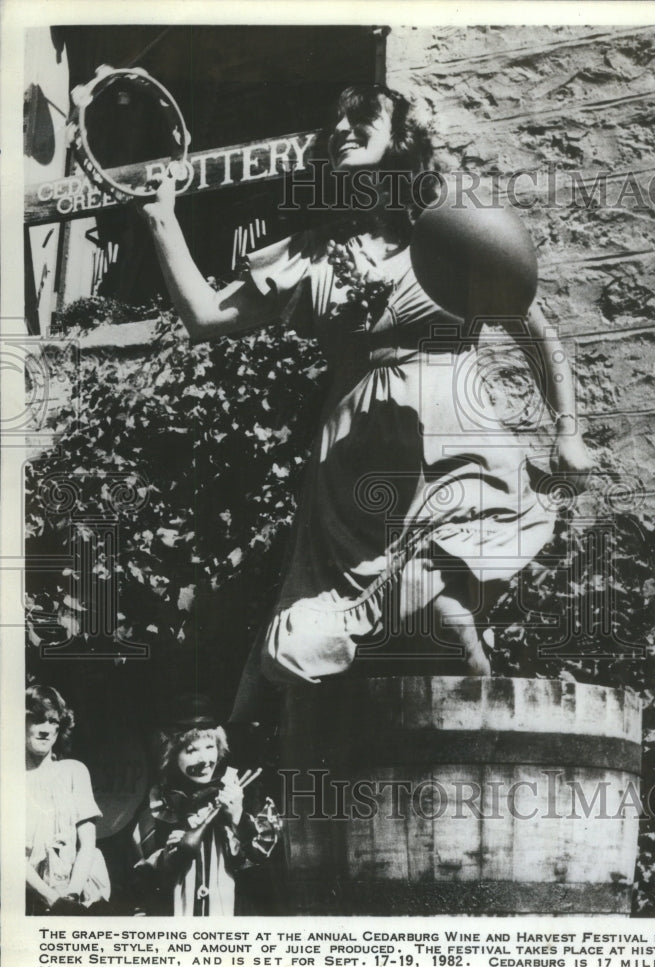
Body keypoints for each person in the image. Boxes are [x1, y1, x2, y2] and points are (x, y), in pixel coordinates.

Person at [139, 84, 593, 711]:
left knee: (449, 618)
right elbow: (203, 315)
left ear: (401, 139)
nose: (343, 131)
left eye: (362, 120)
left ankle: (489, 742)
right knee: (312, 653)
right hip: (352, 481)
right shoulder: (315, 253)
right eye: (336, 124)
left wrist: (567, 429)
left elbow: (532, 329)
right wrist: (160, 218)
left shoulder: (449, 229)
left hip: (455, 449)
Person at [132, 694, 282, 916]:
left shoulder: (245, 793)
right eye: (191, 751)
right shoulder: (162, 802)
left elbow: (263, 856)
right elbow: (146, 876)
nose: (204, 760)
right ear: (172, 754)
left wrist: (239, 817)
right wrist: (168, 856)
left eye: (210, 747)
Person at [25, 685, 111, 915]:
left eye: (53, 722)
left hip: (73, 899)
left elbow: (88, 845)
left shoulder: (74, 772)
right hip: (23, 899)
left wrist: (71, 897)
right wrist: (53, 900)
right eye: (37, 720)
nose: (45, 730)